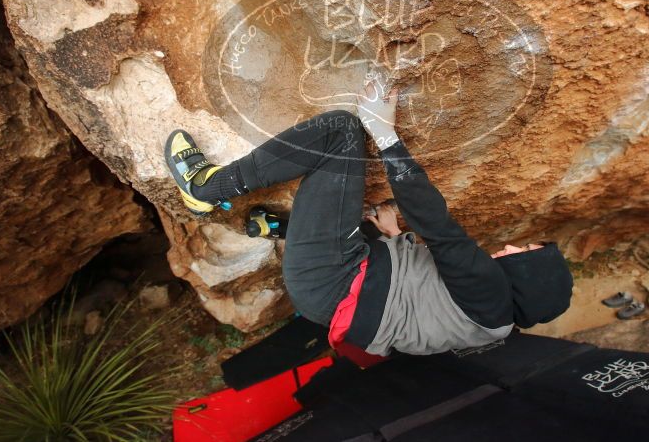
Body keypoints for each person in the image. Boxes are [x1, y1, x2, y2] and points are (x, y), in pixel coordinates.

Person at [164, 71, 572, 356]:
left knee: (339, 132)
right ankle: (276, 227)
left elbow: (435, 222)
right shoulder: (493, 326)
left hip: (333, 278)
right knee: (370, 221)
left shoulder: (489, 286)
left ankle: (206, 187)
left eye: (527, 250)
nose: (514, 246)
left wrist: (384, 133)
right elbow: (421, 305)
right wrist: (396, 238)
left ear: (530, 279)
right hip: (342, 297)